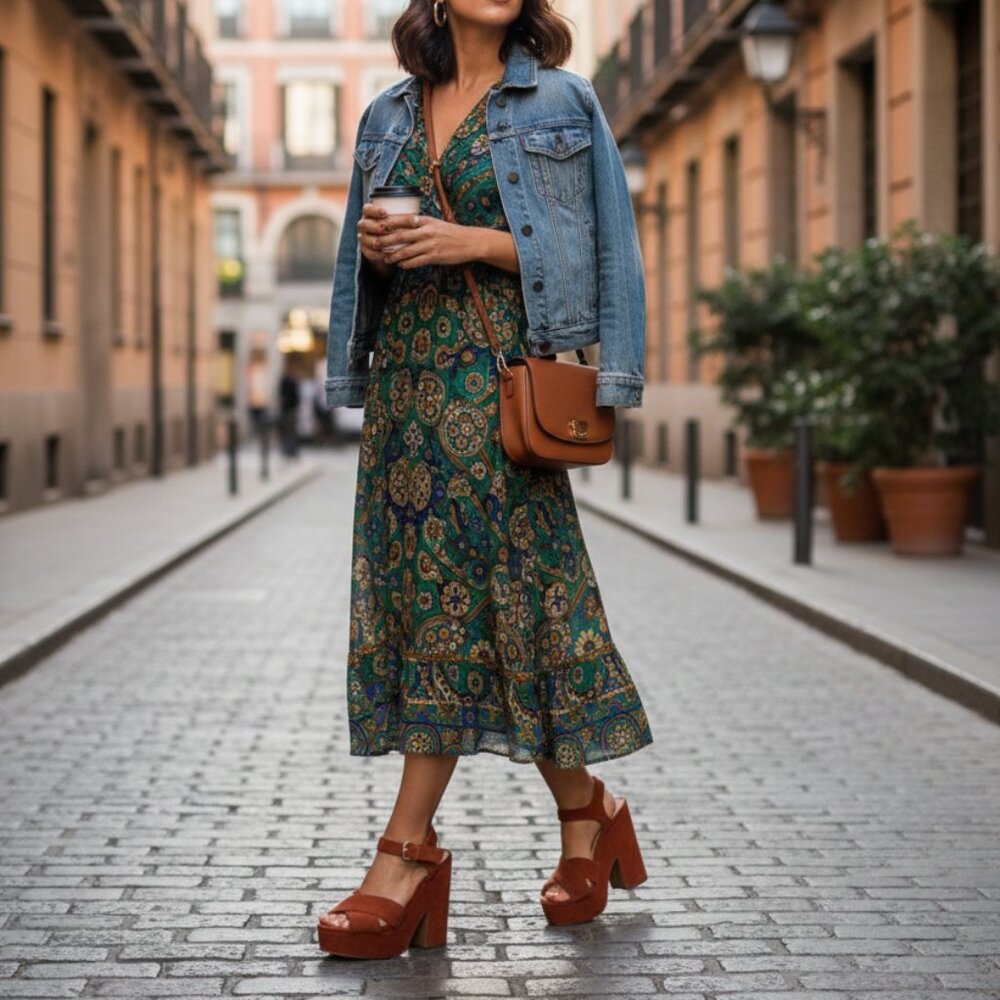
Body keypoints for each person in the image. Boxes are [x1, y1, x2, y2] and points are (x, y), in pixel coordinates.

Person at [318, 0, 653, 959]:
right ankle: (589, 816)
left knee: (467, 605)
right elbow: (354, 255)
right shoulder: (388, 113)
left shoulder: (562, 101)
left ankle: (407, 854)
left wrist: (475, 244)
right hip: (409, 399)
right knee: (506, 610)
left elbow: (602, 256)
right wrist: (382, 261)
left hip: (501, 392)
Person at [277, 359, 301, 457]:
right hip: (288, 409)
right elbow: (282, 395)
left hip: (291, 408)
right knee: (288, 430)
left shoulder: (292, 380)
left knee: (291, 430)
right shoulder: (286, 381)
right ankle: (288, 449)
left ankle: (291, 449)